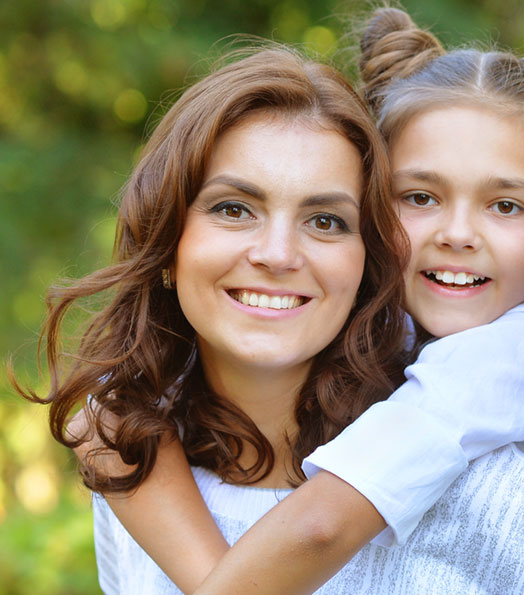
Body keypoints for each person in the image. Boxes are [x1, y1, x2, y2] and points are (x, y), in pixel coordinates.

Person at [50, 31, 524, 593]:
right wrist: (115, 432)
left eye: (325, 221)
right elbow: (107, 411)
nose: (457, 234)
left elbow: (323, 524)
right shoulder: (157, 435)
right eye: (420, 198)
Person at [20, 46, 408, 591]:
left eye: (325, 220)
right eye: (233, 209)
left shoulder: (473, 485)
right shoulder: (128, 453)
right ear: (166, 242)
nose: (277, 254)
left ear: (367, 263)